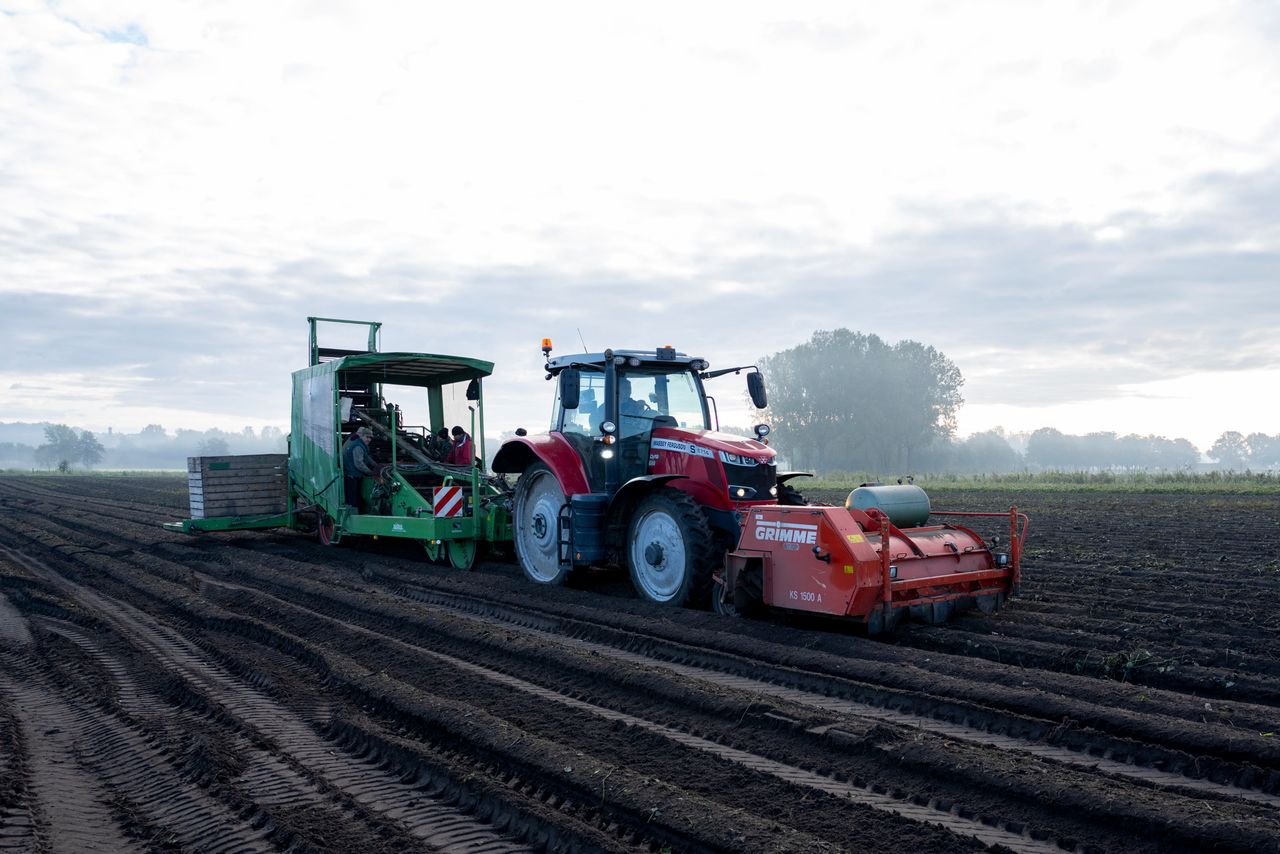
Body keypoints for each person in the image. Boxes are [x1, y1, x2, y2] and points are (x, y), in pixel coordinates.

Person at [341, 426, 378, 510]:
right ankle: (352, 516)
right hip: (352, 475)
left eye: (370, 438)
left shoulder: (359, 444)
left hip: (353, 474)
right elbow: (359, 464)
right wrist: (370, 472)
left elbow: (366, 457)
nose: (369, 440)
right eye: (367, 437)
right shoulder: (358, 446)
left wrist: (376, 465)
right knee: (352, 500)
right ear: (362, 436)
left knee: (355, 497)